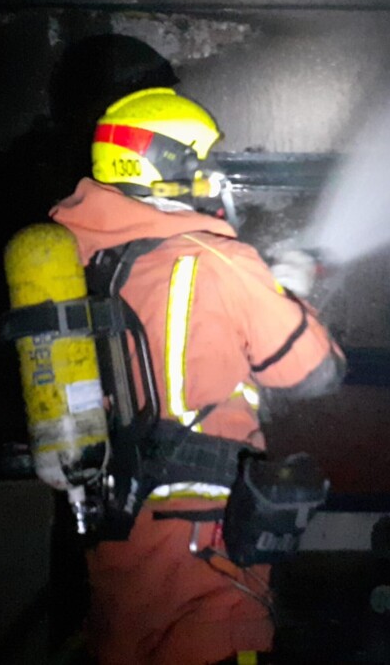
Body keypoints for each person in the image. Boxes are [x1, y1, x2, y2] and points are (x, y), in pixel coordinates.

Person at [48, 86, 346, 665]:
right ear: (171, 167)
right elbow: (317, 371)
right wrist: (292, 293)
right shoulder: (215, 259)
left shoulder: (80, 262)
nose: (214, 180)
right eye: (205, 163)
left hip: (118, 539)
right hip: (204, 541)